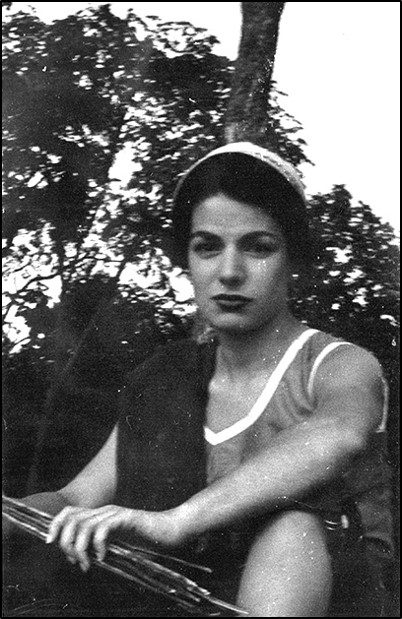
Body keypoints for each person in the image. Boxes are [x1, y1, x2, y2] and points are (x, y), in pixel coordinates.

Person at [3, 142, 394, 617]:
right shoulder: (164, 377)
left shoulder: (338, 364)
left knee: (294, 525)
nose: (229, 272)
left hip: (334, 598)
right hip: (182, 600)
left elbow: (337, 436)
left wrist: (176, 521)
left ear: (295, 260)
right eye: (207, 247)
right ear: (186, 260)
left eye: (259, 247)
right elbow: (76, 498)